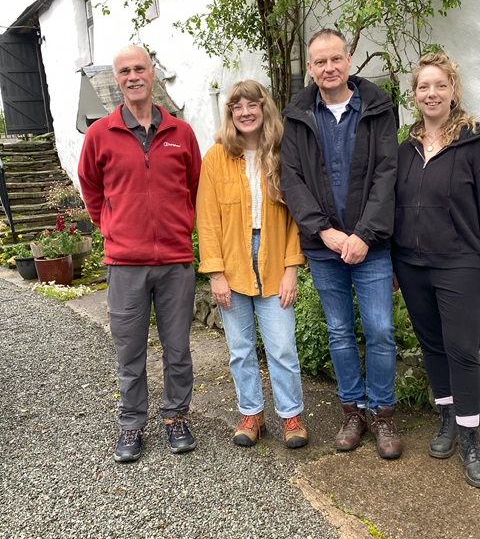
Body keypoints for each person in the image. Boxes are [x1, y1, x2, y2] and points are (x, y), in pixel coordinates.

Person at [280, 29, 402, 459]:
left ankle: (383, 415)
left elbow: (388, 173)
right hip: (323, 247)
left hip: (371, 245)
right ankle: (353, 412)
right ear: (310, 68)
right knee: (338, 332)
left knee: (381, 331)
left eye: (336, 59)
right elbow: (290, 179)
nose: (328, 68)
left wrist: (363, 235)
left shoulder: (377, 107)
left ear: (349, 60)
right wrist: (325, 232)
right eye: (319, 62)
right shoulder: (296, 115)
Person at [78, 44, 201, 463]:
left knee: (178, 348)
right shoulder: (100, 134)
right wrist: (111, 226)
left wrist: (182, 225)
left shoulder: (181, 133)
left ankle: (176, 417)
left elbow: (194, 186)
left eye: (140, 68)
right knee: (129, 351)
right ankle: (132, 424)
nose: (133, 76)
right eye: (124, 70)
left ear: (152, 74)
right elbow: (91, 189)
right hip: (125, 264)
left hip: (174, 262)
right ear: (117, 80)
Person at [392, 51, 480, 488]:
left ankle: (470, 436)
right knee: (433, 346)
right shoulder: (405, 147)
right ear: (415, 94)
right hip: (412, 264)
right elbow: (396, 208)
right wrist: (394, 265)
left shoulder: (475, 142)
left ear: (453, 91)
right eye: (424, 86)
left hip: (461, 264)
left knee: (462, 349)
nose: (432, 93)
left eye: (440, 85)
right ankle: (445, 417)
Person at [196, 80, 308, 449]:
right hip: (232, 260)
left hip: (276, 256)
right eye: (237, 106)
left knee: (282, 347)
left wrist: (292, 267)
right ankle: (251, 414)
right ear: (230, 113)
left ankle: (291, 416)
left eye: (252, 105)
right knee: (240, 348)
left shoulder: (282, 152)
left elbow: (297, 215)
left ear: (264, 108)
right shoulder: (215, 157)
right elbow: (208, 219)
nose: (245, 112)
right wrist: (216, 273)